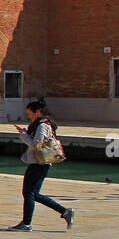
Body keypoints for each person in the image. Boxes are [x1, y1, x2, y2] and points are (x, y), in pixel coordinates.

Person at [9, 98, 74, 231]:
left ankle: (26, 224)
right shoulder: (41, 124)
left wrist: (23, 135)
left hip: (38, 164)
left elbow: (36, 145)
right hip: (40, 163)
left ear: (37, 112)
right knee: (34, 194)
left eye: (29, 114)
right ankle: (65, 212)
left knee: (28, 193)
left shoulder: (42, 125)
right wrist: (26, 133)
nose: (29, 116)